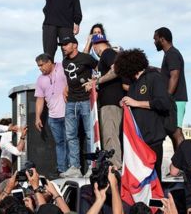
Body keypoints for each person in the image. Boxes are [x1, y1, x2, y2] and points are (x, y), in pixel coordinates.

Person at [113, 48, 174, 177]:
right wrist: (126, 103)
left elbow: (164, 103)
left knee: (153, 181)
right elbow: (133, 103)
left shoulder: (154, 77)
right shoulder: (134, 84)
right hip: (137, 143)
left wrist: (136, 103)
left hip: (152, 140)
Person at [59, 35, 97, 177]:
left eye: (66, 44)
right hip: (71, 102)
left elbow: (98, 68)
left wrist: (94, 81)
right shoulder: (64, 62)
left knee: (89, 134)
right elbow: (70, 79)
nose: (63, 47)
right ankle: (75, 167)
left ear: (74, 45)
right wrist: (66, 88)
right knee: (70, 135)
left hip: (86, 100)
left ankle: (91, 167)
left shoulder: (86, 58)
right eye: (62, 45)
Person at [89, 33, 124, 168]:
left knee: (110, 136)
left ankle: (115, 167)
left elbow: (116, 69)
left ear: (95, 46)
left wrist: (97, 81)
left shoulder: (107, 53)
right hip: (112, 102)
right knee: (111, 135)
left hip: (110, 103)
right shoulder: (109, 53)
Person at [34, 53, 69, 176]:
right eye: (38, 66)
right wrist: (37, 117)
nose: (40, 68)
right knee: (60, 143)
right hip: (53, 117)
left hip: (68, 113)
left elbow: (73, 78)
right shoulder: (40, 79)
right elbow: (40, 99)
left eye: (42, 65)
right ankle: (62, 169)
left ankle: (72, 168)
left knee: (71, 141)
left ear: (49, 62)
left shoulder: (63, 67)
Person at [153, 27, 187, 150]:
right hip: (174, 99)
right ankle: (179, 163)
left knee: (176, 132)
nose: (154, 42)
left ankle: (184, 163)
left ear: (162, 39)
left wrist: (167, 97)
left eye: (155, 39)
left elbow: (174, 75)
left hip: (176, 99)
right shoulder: (170, 54)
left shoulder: (172, 54)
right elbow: (167, 73)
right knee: (173, 133)